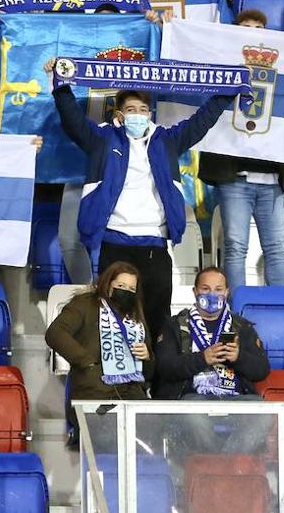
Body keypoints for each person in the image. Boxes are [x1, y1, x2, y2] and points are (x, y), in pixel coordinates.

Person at [54, 84, 231, 338]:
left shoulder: (167, 140)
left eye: (143, 109)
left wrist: (226, 93)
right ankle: (116, 376)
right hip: (114, 241)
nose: (137, 114)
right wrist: (61, 87)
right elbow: (72, 120)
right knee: (112, 320)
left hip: (154, 245)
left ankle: (155, 375)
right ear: (119, 114)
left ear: (150, 113)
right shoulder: (102, 139)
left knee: (157, 319)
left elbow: (200, 122)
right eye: (131, 109)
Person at [199, 9, 284, 287]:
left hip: (273, 179)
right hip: (234, 178)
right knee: (235, 248)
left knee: (276, 249)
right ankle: (236, 315)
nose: (252, 31)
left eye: (259, 27)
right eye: (246, 26)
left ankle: (280, 308)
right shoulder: (220, 63)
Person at [153, 267, 274, 452]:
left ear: (226, 292)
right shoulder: (175, 325)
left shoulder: (242, 326)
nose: (212, 294)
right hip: (194, 398)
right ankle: (218, 464)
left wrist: (238, 357)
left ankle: (225, 464)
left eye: (218, 289)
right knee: (192, 413)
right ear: (195, 291)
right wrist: (203, 358)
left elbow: (262, 369)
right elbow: (165, 367)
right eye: (205, 289)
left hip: (236, 399)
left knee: (263, 413)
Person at [45, 262, 153, 446]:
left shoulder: (136, 315)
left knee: (157, 431)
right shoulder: (86, 304)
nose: (125, 291)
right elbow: (55, 333)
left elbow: (149, 373)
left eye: (131, 288)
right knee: (109, 438)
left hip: (132, 397)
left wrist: (147, 357)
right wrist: (86, 361)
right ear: (108, 284)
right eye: (120, 286)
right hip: (94, 395)